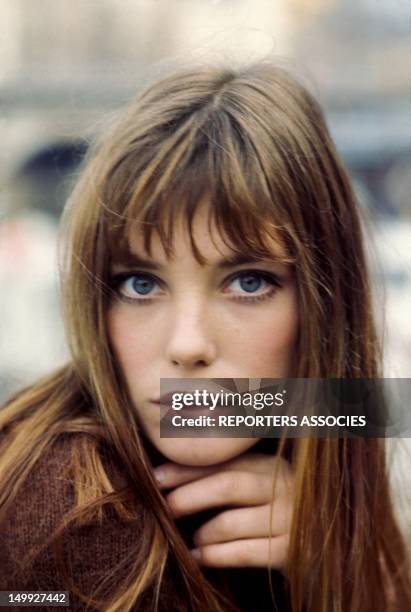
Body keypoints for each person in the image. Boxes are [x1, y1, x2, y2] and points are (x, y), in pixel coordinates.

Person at [0, 62, 409, 612]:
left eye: (248, 282)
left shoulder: (308, 414)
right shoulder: (73, 514)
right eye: (140, 284)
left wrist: (349, 564)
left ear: (324, 304)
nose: (188, 345)